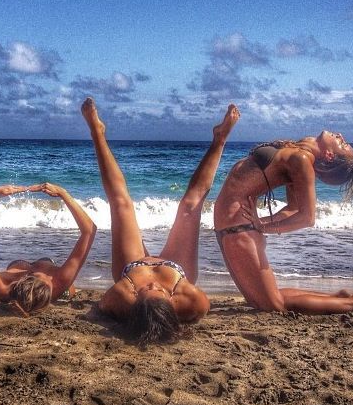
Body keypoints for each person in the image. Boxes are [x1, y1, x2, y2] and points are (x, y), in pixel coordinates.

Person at [82, 97, 240, 345]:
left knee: (121, 203)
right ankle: (220, 138)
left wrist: (131, 293)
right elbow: (199, 308)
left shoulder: (122, 298)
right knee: (190, 204)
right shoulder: (192, 301)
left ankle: (97, 133)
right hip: (177, 267)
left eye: (146, 291)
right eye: (159, 292)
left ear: (136, 302)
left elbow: (100, 307)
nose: (153, 285)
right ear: (172, 302)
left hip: (131, 264)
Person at [214, 132, 353, 315]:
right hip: (232, 226)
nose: (340, 135)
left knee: (273, 305)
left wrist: (262, 226)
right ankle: (340, 297)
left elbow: (307, 217)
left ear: (329, 155)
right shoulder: (297, 151)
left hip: (237, 228)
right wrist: (259, 224)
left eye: (342, 143)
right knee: (260, 300)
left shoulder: (303, 160)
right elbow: (292, 207)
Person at [0, 182, 97, 316]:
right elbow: (89, 231)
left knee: (20, 267)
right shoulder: (58, 282)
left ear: (19, 282)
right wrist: (63, 193)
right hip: (56, 280)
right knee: (68, 287)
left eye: (32, 276)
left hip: (16, 269)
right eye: (43, 279)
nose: (37, 274)